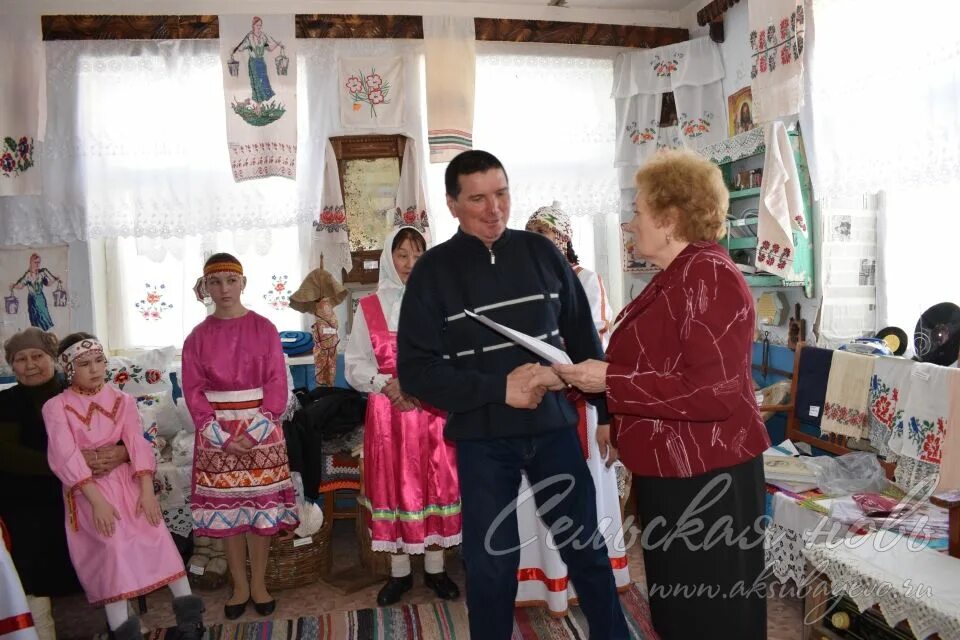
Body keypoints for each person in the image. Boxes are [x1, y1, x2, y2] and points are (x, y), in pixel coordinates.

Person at [397, 150, 629, 640]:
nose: (494, 208)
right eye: (478, 198)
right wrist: (498, 389)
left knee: (586, 549)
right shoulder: (432, 272)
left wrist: (606, 413)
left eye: (501, 193)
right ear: (452, 204)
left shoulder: (543, 254)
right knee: (489, 566)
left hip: (554, 432)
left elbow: (584, 341)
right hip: (483, 442)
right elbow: (416, 372)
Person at [554, 149, 771, 640]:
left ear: (669, 219)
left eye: (637, 211)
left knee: (712, 613)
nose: (630, 224)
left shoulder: (709, 277)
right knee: (680, 609)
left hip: (707, 475)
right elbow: (654, 366)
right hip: (675, 468)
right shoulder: (677, 275)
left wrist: (608, 383)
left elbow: (712, 392)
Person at [41, 332, 204, 640]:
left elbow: (137, 444)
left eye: (100, 361)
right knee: (112, 555)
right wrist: (96, 501)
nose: (95, 369)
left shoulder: (123, 400)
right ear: (69, 368)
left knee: (160, 543)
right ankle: (124, 632)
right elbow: (64, 455)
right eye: (85, 363)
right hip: (90, 492)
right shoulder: (56, 407)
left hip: (129, 483)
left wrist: (146, 491)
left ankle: (190, 620)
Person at [519, 202, 629, 614]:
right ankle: (545, 582)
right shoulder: (521, 284)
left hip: (582, 402)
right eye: (534, 238)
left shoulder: (585, 280)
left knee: (583, 495)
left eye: (547, 237)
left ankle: (593, 581)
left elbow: (593, 348)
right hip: (536, 405)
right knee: (540, 495)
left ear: (564, 241)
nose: (541, 246)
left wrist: (604, 413)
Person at [345, 226, 462, 607]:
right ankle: (398, 574)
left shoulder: (439, 303)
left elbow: (451, 357)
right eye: (402, 255)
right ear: (388, 259)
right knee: (394, 486)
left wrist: (417, 383)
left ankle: (435, 568)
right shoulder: (368, 307)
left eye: (418, 254)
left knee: (434, 484)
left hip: (429, 411)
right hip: (388, 412)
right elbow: (354, 365)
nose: (411, 263)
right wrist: (386, 383)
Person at [182, 253, 298, 620]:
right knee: (229, 514)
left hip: (261, 432)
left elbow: (277, 381)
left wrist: (259, 428)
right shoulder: (197, 337)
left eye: (230, 281)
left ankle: (259, 583)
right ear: (206, 288)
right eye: (215, 282)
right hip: (217, 435)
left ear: (243, 282)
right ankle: (240, 585)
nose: (224, 289)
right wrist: (218, 434)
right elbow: (193, 390)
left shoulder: (264, 328)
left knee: (260, 514)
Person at [0, 328, 130, 640]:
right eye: (21, 359)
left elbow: (124, 430)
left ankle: (119, 625)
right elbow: (7, 454)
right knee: (31, 539)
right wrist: (68, 464)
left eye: (38, 356)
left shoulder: (78, 391)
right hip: (28, 494)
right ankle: (41, 629)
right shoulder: (6, 402)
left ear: (55, 360)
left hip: (89, 487)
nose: (30, 364)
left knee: (107, 533)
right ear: (11, 365)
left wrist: (121, 453)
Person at [230, 16, 283, 115]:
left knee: (264, 83)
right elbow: (241, 47)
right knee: (257, 84)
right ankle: (258, 107)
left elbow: (269, 49)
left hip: (261, 62)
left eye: (260, 25)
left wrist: (277, 44)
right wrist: (235, 49)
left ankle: (258, 106)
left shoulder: (263, 36)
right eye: (257, 25)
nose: (259, 27)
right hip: (253, 63)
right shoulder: (249, 37)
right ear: (253, 25)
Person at [9, 254, 62, 331]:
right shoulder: (28, 275)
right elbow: (21, 285)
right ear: (31, 263)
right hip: (32, 300)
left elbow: (48, 284)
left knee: (44, 318)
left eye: (39, 262)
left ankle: (45, 336)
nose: (37, 264)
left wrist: (55, 279)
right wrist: (14, 286)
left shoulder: (42, 272)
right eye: (35, 262)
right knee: (34, 319)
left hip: (40, 299)